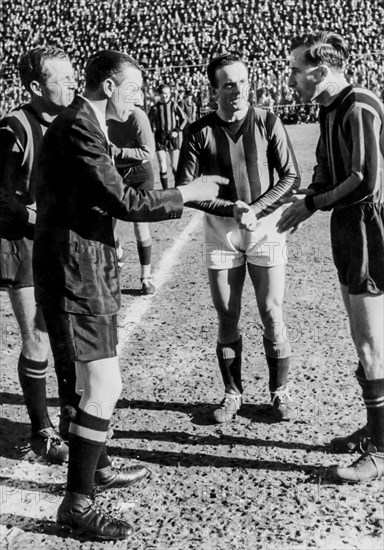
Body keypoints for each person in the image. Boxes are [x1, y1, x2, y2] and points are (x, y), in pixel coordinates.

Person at [33, 50, 228, 541]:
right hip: (75, 273)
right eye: (134, 89)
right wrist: (189, 190)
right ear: (108, 87)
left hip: (80, 266)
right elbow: (125, 200)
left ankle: (92, 473)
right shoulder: (80, 124)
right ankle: (77, 504)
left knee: (88, 382)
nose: (139, 97)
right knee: (103, 385)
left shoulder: (83, 123)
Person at [278, 31, 384, 483]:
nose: (292, 79)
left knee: (371, 342)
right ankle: (376, 430)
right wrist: (312, 199)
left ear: (321, 72)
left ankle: (379, 450)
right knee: (365, 339)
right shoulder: (330, 107)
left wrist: (311, 205)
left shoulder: (358, 104)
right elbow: (327, 166)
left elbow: (364, 179)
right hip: (348, 225)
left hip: (367, 226)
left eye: (297, 70)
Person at [176, 52, 300, 424]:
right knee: (227, 314)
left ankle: (280, 392)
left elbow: (290, 177)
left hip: (265, 228)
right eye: (229, 84)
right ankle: (232, 393)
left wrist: (255, 209)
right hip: (222, 231)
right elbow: (187, 189)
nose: (239, 89)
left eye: (243, 81)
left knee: (271, 311)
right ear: (214, 89)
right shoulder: (198, 132)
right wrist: (232, 209)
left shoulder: (267, 120)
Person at [0, 46, 78, 463]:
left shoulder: (74, 119)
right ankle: (41, 431)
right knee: (39, 336)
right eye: (61, 78)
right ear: (35, 87)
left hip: (60, 238)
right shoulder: (13, 127)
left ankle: (70, 418)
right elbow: (3, 198)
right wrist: (37, 219)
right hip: (22, 241)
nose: (71, 84)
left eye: (72, 76)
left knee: (67, 331)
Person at [108, 105, 157, 295]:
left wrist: (119, 151)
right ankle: (118, 254)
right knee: (108, 224)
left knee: (140, 224)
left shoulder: (137, 115)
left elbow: (148, 152)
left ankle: (146, 278)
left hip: (139, 173)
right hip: (115, 172)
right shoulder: (103, 113)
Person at [148, 84, 188, 189]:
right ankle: (166, 191)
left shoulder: (173, 105)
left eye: (167, 94)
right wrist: (151, 130)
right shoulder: (155, 108)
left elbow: (184, 119)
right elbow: (148, 123)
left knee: (175, 166)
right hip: (160, 137)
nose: (165, 96)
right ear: (158, 94)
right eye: (163, 94)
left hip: (172, 136)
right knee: (162, 165)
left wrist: (177, 130)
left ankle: (177, 190)